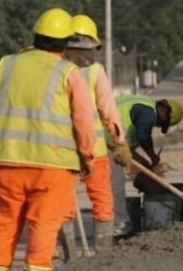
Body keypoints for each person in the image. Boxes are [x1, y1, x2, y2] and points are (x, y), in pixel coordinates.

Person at [0, 8, 96, 271]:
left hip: (6, 161)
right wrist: (87, 157)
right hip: (52, 168)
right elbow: (84, 121)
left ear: (36, 35)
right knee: (43, 226)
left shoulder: (6, 64)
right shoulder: (69, 72)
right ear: (65, 42)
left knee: (4, 224)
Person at [58, 14, 131, 258]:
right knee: (102, 201)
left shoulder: (57, 70)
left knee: (64, 202)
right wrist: (120, 142)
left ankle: (69, 254)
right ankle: (103, 254)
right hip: (95, 150)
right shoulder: (95, 72)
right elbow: (109, 111)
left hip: (63, 150)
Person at [109, 94, 183, 235]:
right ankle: (118, 225)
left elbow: (128, 149)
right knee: (115, 183)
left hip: (111, 138)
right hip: (106, 136)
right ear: (163, 111)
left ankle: (115, 223)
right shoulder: (149, 112)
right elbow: (143, 136)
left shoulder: (142, 105)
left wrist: (144, 162)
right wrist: (153, 157)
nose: (157, 126)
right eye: (161, 123)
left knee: (113, 183)